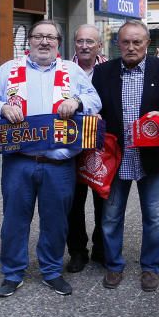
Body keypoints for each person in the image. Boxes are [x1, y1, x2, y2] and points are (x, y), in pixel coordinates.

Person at [0, 19, 101, 297]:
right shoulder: (9, 70)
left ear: (58, 42)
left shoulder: (71, 71)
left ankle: (51, 271)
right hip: (19, 161)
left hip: (58, 164)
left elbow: (95, 99)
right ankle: (12, 273)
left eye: (50, 37)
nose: (44, 42)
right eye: (38, 36)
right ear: (30, 41)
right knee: (14, 220)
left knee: (56, 221)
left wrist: (79, 103)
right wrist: (1, 108)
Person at [94, 20, 159, 291]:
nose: (131, 47)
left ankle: (150, 267)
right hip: (116, 157)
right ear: (117, 44)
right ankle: (114, 265)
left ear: (148, 44)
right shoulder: (102, 72)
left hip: (152, 157)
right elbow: (97, 109)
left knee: (154, 216)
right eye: (126, 42)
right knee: (110, 216)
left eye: (137, 42)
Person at [65, 24, 107, 273]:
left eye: (90, 42)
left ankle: (102, 248)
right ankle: (78, 252)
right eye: (80, 41)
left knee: (103, 201)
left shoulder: (111, 70)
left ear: (99, 45)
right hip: (71, 145)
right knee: (74, 202)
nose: (84, 46)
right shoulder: (62, 70)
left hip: (101, 146)